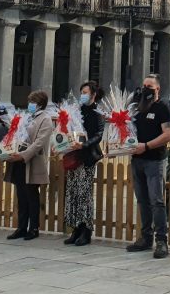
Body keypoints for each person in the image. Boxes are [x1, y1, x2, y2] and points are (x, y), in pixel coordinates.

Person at [123, 73, 170, 258]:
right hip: (137, 160)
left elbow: (169, 134)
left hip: (155, 160)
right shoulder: (137, 107)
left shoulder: (163, 107)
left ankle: (161, 241)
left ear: (157, 89)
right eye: (144, 85)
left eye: (150, 87)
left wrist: (146, 146)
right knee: (142, 200)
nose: (145, 89)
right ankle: (145, 238)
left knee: (157, 201)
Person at [4, 89, 53, 240]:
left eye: (33, 102)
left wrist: (23, 155)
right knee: (21, 196)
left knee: (32, 195)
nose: (30, 105)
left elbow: (39, 142)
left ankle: (34, 228)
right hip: (19, 161)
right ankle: (21, 227)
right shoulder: (26, 116)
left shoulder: (45, 119)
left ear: (40, 104)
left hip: (32, 162)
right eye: (29, 102)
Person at [63, 81, 104, 247]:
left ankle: (86, 231)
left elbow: (99, 135)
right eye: (81, 92)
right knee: (72, 193)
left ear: (93, 95)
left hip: (86, 157)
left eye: (86, 92)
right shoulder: (76, 111)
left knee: (84, 194)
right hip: (74, 156)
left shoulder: (97, 113)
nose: (83, 95)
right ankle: (75, 229)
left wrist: (84, 144)